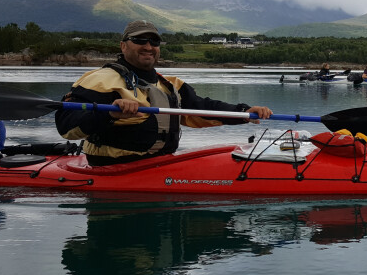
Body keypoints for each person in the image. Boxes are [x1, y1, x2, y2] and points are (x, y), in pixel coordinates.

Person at [56, 20, 272, 166]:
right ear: (123, 46)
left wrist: (244, 112)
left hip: (158, 164)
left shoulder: (169, 84)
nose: (148, 46)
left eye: (154, 42)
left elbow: (200, 108)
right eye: (140, 41)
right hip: (112, 168)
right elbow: (66, 125)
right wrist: (110, 114)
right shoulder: (100, 80)